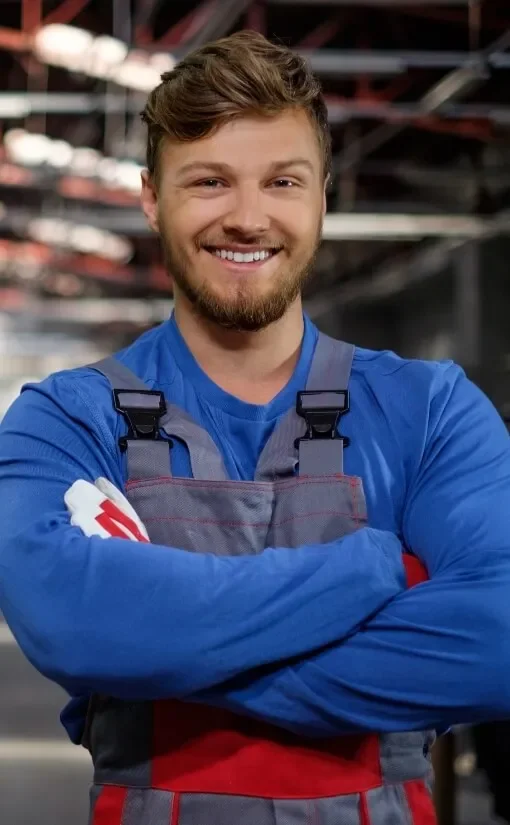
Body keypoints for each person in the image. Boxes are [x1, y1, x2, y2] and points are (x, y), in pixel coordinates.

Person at [1, 30, 510, 825]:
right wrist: (367, 571)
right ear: (149, 195)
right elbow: (69, 619)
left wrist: (164, 656)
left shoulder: (429, 410)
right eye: (209, 181)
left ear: (322, 195)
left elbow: (497, 639)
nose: (247, 217)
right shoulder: (67, 419)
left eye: (282, 181)